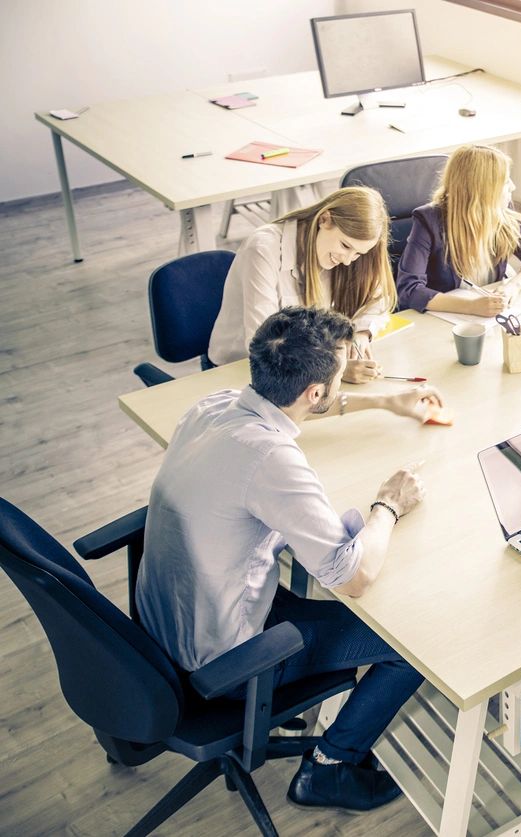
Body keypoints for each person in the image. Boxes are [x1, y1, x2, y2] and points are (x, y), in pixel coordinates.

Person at [137, 307, 443, 812]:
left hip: (161, 624)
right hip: (225, 662)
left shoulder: (210, 406)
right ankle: (329, 767)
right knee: (417, 642)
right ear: (313, 393)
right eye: (337, 376)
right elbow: (354, 576)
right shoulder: (272, 460)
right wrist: (389, 504)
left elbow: (302, 413)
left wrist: (386, 399)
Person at [208, 186, 397, 384]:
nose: (348, 260)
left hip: (305, 366)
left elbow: (378, 300)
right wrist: (335, 369)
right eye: (345, 246)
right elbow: (265, 346)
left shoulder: (345, 256)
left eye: (358, 253)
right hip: (239, 369)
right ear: (325, 219)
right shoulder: (263, 249)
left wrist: (361, 332)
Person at [396, 144, 521, 317]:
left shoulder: (502, 212)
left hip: (490, 315)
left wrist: (513, 286)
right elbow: (409, 289)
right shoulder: (428, 220)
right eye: (506, 181)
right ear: (483, 190)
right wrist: (471, 307)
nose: (513, 187)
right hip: (447, 318)